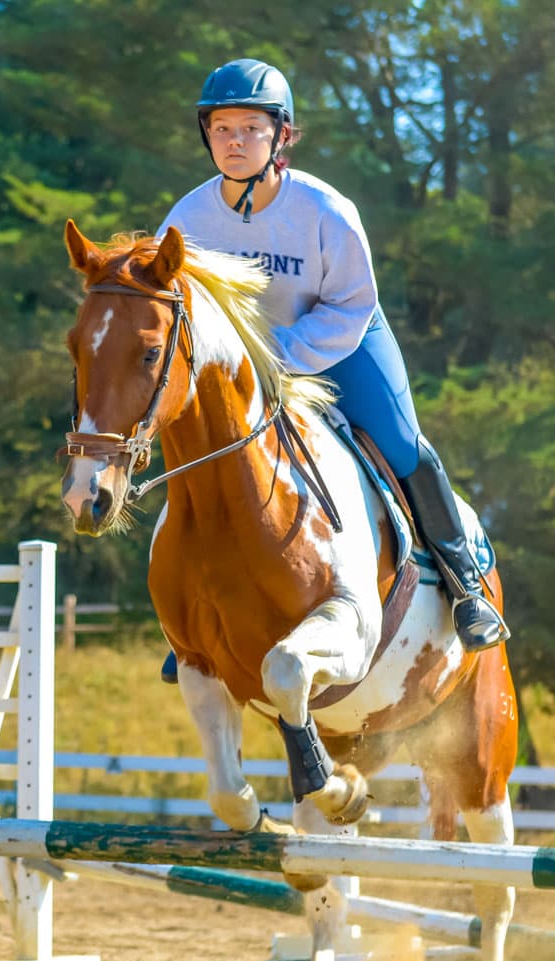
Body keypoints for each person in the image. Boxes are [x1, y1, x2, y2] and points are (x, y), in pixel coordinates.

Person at [156, 57, 509, 662]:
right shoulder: (186, 219)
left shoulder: (325, 209)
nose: (234, 142)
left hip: (339, 340)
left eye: (250, 128)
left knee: (400, 444)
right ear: (205, 136)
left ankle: (463, 583)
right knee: (203, 460)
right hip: (245, 365)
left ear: (281, 135)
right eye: (220, 129)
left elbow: (350, 303)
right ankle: (199, 612)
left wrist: (279, 356)